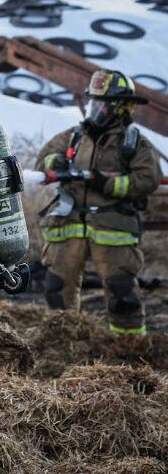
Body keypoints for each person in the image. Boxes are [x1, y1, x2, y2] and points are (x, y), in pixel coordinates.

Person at [36, 69, 162, 336]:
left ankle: (127, 349)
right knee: (56, 288)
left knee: (121, 292)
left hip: (112, 226)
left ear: (121, 107)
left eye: (104, 104)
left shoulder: (134, 144)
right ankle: (63, 343)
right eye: (95, 103)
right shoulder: (74, 137)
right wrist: (56, 163)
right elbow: (44, 157)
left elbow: (147, 178)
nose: (97, 109)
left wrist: (104, 182)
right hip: (68, 223)